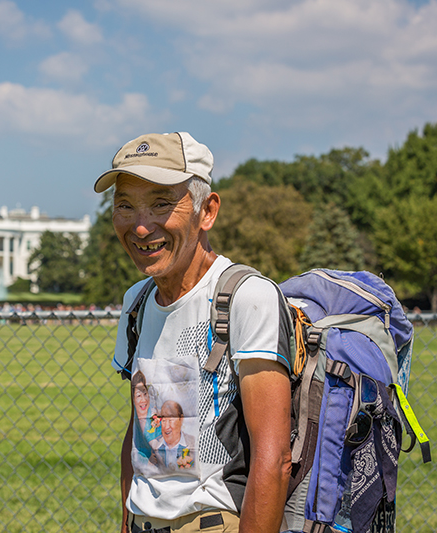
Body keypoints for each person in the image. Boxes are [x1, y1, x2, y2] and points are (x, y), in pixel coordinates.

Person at [94, 132, 292, 533]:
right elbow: (138, 435)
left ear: (207, 211)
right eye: (125, 206)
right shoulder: (137, 302)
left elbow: (274, 460)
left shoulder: (246, 297)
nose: (141, 226)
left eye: (162, 204)